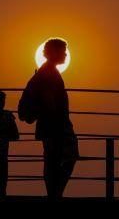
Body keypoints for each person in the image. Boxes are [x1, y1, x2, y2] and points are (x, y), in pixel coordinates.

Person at [18, 38, 78, 199]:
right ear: (53, 52)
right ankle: (55, 193)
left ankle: (54, 193)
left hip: (49, 125)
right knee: (65, 156)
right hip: (56, 125)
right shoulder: (49, 74)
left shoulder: (44, 72)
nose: (65, 54)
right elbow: (50, 102)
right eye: (62, 51)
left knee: (53, 159)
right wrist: (59, 122)